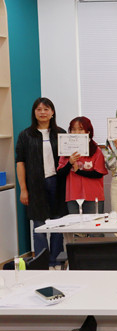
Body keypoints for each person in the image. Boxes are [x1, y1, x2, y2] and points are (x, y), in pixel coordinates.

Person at [15, 97, 66, 267]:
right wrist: (23, 189)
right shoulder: (25, 135)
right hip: (35, 185)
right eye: (39, 109)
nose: (42, 112)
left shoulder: (61, 133)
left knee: (58, 224)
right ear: (34, 113)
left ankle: (56, 261)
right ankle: (42, 264)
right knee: (39, 225)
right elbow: (20, 163)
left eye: (46, 109)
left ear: (52, 112)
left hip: (57, 183)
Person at [57, 116, 108, 214]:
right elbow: (60, 174)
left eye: (80, 129)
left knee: (94, 222)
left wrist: (78, 171)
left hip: (93, 196)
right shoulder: (65, 150)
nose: (77, 132)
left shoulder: (96, 150)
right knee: (75, 223)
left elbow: (98, 174)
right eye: (73, 129)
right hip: (73, 197)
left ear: (88, 132)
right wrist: (69, 163)